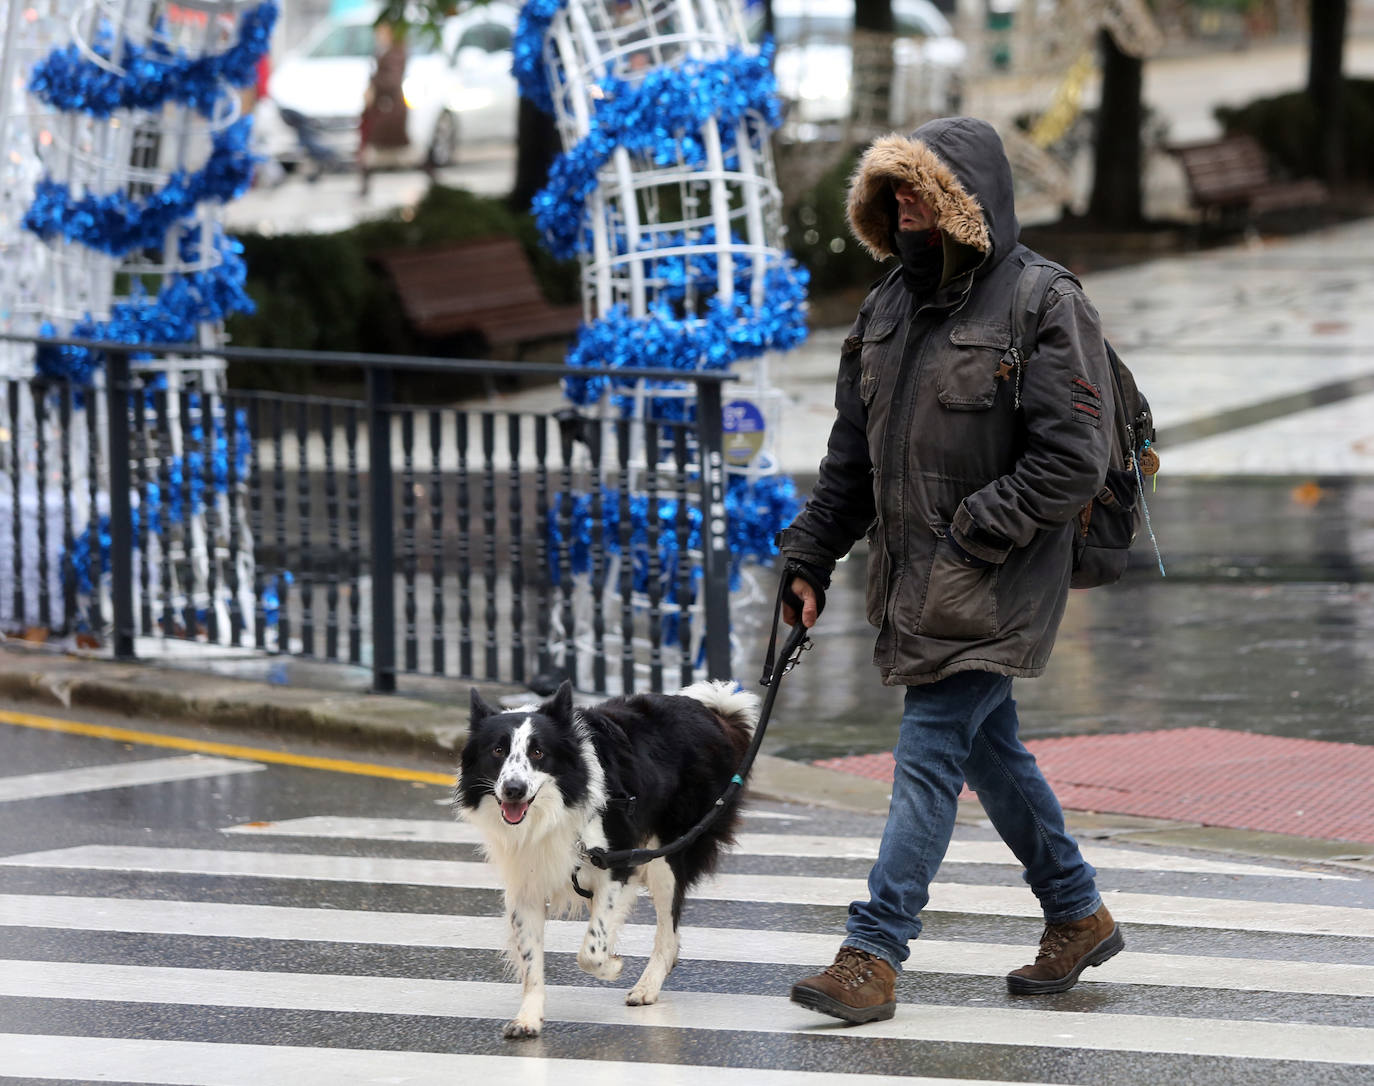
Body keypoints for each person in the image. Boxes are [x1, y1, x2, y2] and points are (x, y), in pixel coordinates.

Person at [778, 116, 1125, 1025]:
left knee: (928, 753)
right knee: (990, 749)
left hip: (998, 571)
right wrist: (809, 555)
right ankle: (1077, 912)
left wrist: (979, 531)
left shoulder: (1043, 301)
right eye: (891, 191)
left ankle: (872, 952)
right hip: (916, 574)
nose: (902, 206)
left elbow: (1074, 457)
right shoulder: (886, 307)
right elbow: (851, 463)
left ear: (966, 202)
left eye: (919, 188)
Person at [358, 21, 410, 195]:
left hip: (388, 109)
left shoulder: (396, 52)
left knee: (376, 150)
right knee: (368, 149)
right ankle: (364, 185)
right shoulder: (381, 51)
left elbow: (391, 81)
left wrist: (374, 87)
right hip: (379, 109)